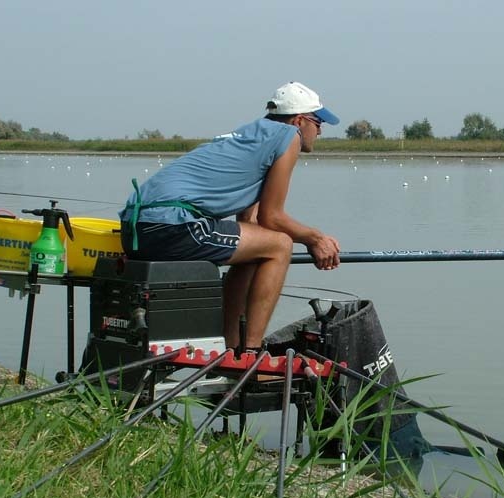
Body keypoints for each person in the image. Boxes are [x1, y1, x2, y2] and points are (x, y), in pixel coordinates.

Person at [119, 81, 341, 355]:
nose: (320, 129)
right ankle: (251, 353)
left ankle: (231, 347)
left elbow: (253, 222)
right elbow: (274, 218)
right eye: (318, 121)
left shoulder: (252, 134)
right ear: (298, 120)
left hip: (138, 228)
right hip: (173, 224)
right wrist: (316, 238)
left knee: (258, 250)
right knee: (281, 245)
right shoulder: (288, 136)